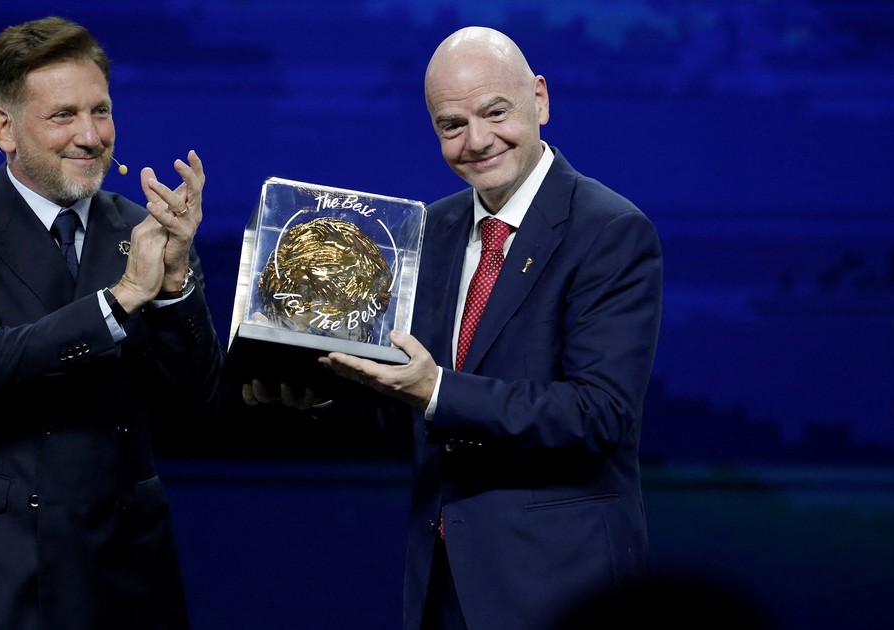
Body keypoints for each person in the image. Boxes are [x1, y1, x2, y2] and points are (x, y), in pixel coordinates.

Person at [243, 26, 664, 629]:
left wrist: (435, 388)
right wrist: (320, 391)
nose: (477, 141)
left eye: (496, 113)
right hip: (442, 580)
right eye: (451, 125)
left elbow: (599, 414)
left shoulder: (609, 231)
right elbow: (408, 402)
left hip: (562, 584)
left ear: (539, 99)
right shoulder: (428, 231)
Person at [0, 16, 225, 630]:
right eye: (63, 115)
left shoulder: (147, 230)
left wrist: (175, 287)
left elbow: (196, 399)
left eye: (101, 112)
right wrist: (122, 299)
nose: (90, 137)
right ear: (4, 128)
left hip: (123, 580)